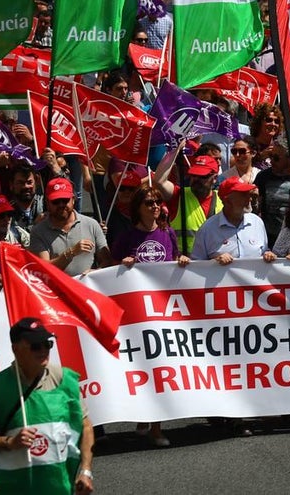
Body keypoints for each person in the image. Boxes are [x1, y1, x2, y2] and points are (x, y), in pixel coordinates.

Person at [0, 318, 95, 494]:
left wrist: (86, 471)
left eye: (47, 344)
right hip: (15, 489)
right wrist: (10, 442)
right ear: (15, 349)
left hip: (62, 488)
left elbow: (85, 426)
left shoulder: (65, 379)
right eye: (35, 346)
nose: (43, 350)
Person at [110, 185, 187, 447]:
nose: (155, 206)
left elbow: (174, 260)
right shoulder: (127, 237)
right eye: (149, 203)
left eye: (157, 202)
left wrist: (181, 260)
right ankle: (144, 418)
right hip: (135, 316)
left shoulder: (167, 234)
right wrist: (123, 266)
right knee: (141, 368)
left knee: (160, 367)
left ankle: (156, 426)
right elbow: (107, 271)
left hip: (162, 314)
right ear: (138, 209)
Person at [29, 179, 111, 276]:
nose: (61, 205)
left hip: (86, 288)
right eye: (56, 201)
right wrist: (71, 252)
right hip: (55, 289)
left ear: (73, 199)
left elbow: (107, 261)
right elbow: (44, 269)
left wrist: (96, 273)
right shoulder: (38, 232)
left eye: (65, 200)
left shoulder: (91, 224)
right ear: (47, 202)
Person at [153, 145, 222, 258]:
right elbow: (159, 181)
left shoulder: (223, 198)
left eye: (202, 176)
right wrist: (175, 149)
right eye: (194, 175)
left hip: (215, 265)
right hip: (184, 266)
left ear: (214, 178)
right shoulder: (178, 195)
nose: (196, 180)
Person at [191, 177, 278, 265]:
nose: (250, 199)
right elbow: (196, 266)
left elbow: (264, 251)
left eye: (249, 194)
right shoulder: (207, 229)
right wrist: (215, 262)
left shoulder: (257, 222)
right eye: (243, 195)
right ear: (227, 200)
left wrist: (267, 254)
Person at [254, 137, 290, 246]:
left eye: (276, 158)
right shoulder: (263, 177)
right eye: (270, 156)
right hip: (269, 239)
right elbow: (255, 208)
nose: (271, 161)